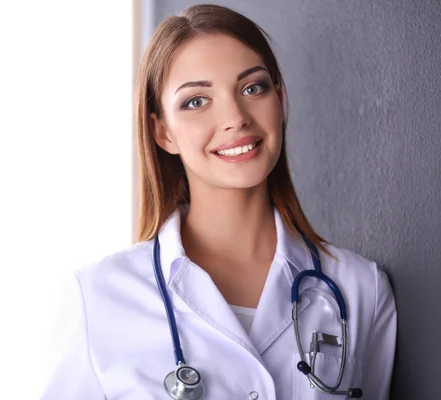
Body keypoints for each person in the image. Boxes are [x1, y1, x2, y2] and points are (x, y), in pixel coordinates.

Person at [41, 4, 397, 399]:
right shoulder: (99, 298)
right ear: (163, 133)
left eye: (252, 88)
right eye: (196, 101)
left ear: (279, 101)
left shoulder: (360, 290)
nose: (235, 117)